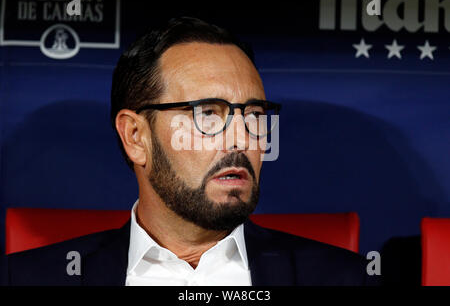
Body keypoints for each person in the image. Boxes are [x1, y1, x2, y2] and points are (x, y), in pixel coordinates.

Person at [2, 17, 377, 286]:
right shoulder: (25, 278)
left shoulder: (346, 278)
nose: (241, 138)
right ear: (135, 136)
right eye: (208, 114)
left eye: (254, 115)